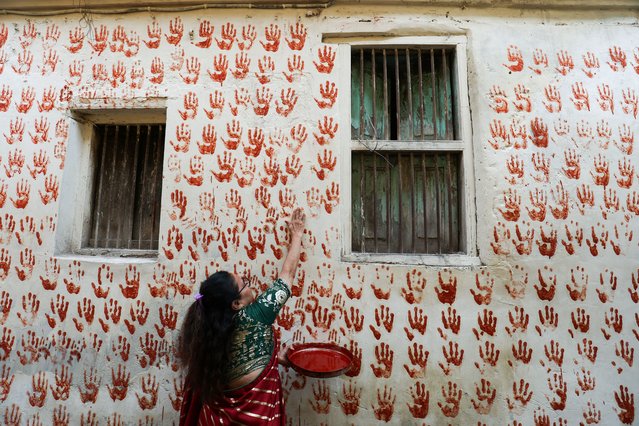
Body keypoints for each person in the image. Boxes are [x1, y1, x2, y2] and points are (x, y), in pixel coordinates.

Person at [178, 207, 306, 426]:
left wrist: (273, 356)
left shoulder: (206, 332)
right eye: (244, 283)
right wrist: (297, 235)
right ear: (236, 304)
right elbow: (288, 275)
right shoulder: (256, 317)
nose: (249, 283)